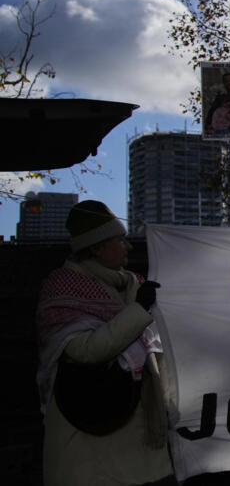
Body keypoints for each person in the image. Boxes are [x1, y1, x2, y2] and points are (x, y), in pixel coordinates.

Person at [36, 201, 172, 485]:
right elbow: (85, 350)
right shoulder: (63, 289)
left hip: (137, 437)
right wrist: (137, 311)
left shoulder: (133, 285)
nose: (128, 247)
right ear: (96, 247)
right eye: (119, 240)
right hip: (88, 440)